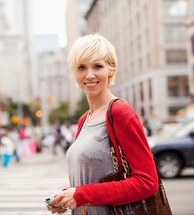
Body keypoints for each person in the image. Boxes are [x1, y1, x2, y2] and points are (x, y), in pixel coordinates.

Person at [45, 34, 158, 215]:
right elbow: (91, 180)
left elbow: (147, 182)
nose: (89, 75)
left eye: (97, 66)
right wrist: (67, 197)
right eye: (81, 67)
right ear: (75, 73)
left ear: (110, 70)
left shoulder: (120, 112)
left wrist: (82, 194)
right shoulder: (84, 120)